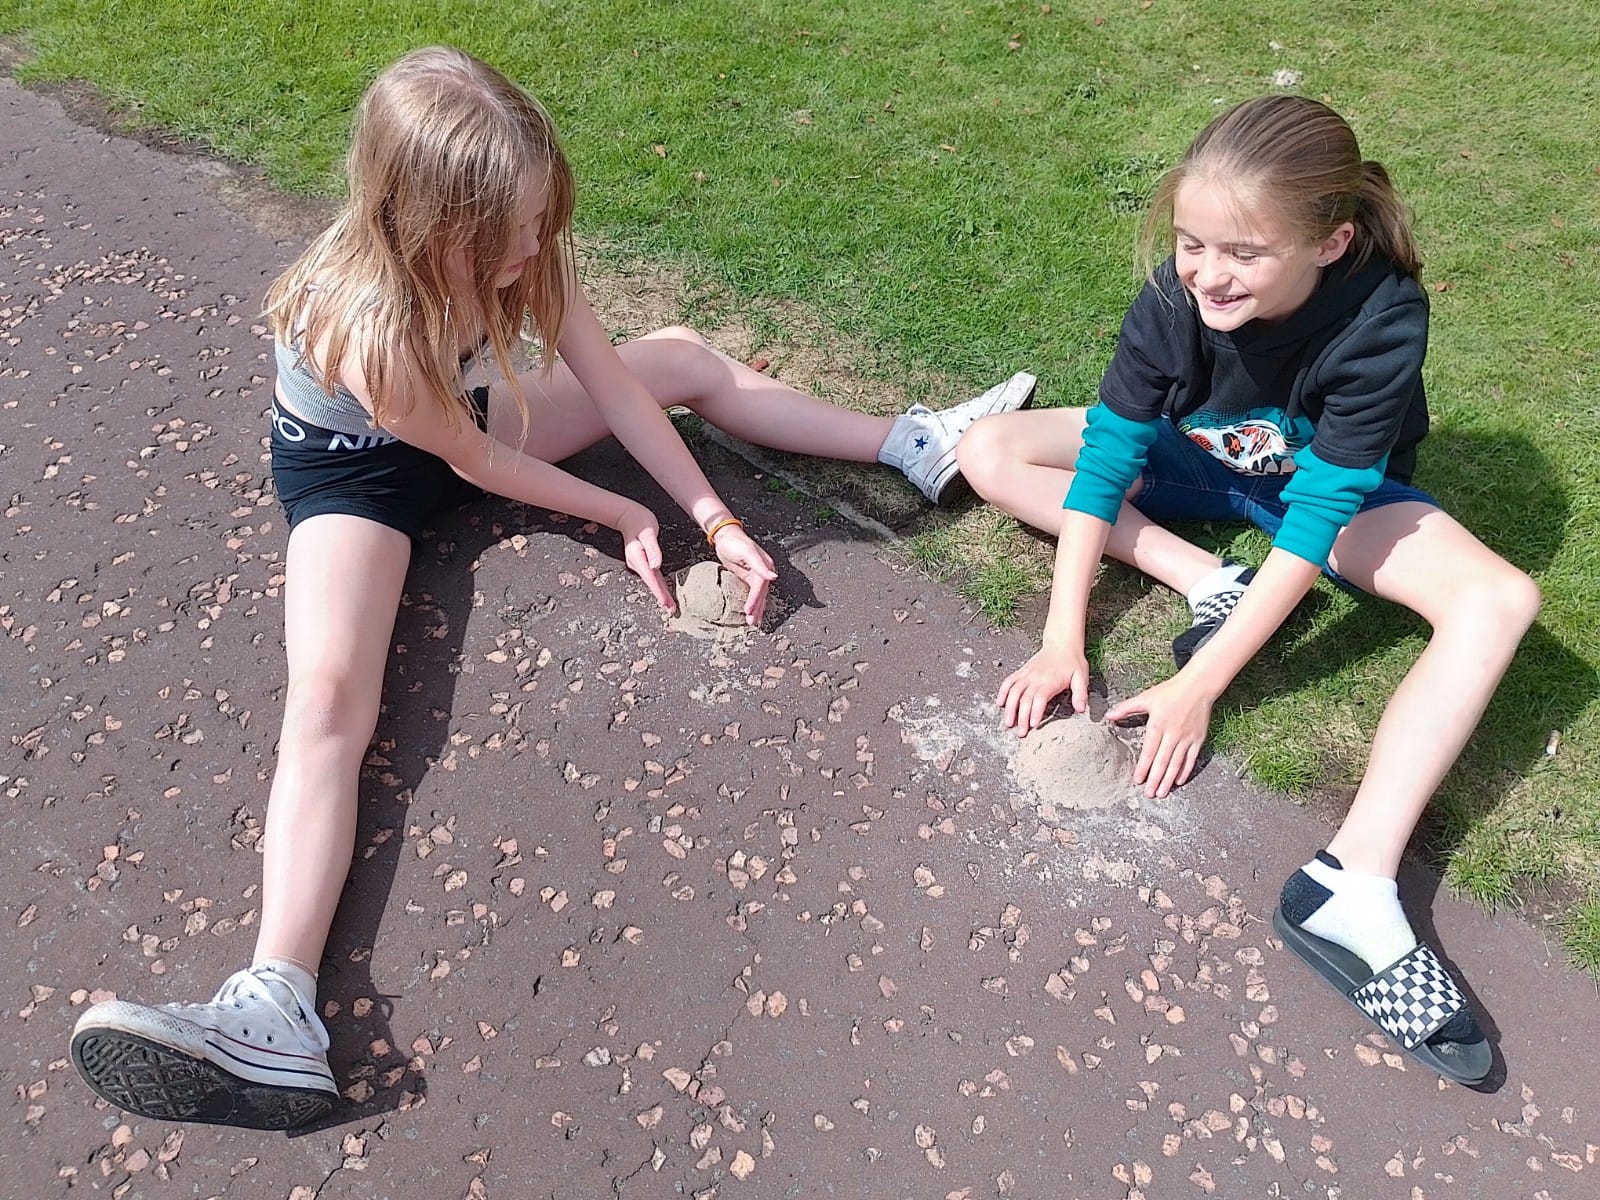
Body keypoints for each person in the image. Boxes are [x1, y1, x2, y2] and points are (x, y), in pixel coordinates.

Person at [68, 45, 1034, 1130]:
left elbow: (621, 389)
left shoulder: (522, 247)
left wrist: (710, 516)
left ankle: (912, 443)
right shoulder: (366, 323)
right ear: (430, 222)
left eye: (538, 218)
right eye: (509, 231)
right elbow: (473, 468)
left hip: (460, 419)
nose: (534, 244)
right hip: (356, 475)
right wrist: (623, 512)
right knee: (332, 699)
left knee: (675, 356)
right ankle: (275, 1003)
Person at [957, 95, 1538, 1085]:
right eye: (1190, 244)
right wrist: (1065, 638)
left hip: (1332, 502)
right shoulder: (1172, 298)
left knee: (1498, 600)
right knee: (990, 447)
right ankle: (1207, 578)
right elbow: (1105, 458)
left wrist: (1200, 687)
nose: (1207, 274)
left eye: (1242, 253)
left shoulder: (1381, 314)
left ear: (1330, 241)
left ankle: (1351, 884)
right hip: (1201, 465)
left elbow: (1316, 517)